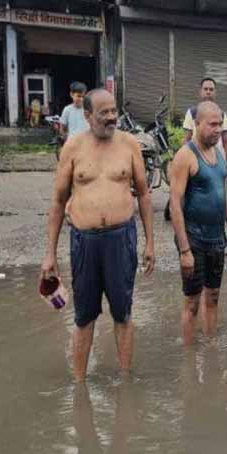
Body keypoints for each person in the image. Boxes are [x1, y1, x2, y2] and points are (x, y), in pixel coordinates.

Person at [41, 88, 155, 381]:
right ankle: (79, 384)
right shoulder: (73, 147)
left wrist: (150, 243)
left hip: (121, 240)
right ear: (88, 115)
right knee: (83, 316)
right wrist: (50, 254)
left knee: (123, 313)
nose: (111, 117)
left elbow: (144, 195)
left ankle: (125, 380)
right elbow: (58, 201)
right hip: (85, 242)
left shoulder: (129, 144)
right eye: (104, 113)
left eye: (114, 111)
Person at [169, 101, 227, 346]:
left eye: (220, 124)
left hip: (216, 237)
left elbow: (224, 198)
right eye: (212, 124)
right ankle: (189, 358)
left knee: (213, 296)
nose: (218, 129)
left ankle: (210, 349)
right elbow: (175, 205)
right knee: (192, 301)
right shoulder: (185, 156)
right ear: (197, 124)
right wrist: (184, 251)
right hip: (193, 238)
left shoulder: (219, 154)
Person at [182, 78, 227, 167]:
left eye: (211, 89)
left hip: (218, 162)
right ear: (200, 92)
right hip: (197, 161)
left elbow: (226, 141)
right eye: (205, 89)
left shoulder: (221, 114)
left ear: (215, 92)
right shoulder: (192, 113)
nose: (208, 92)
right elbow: (186, 139)